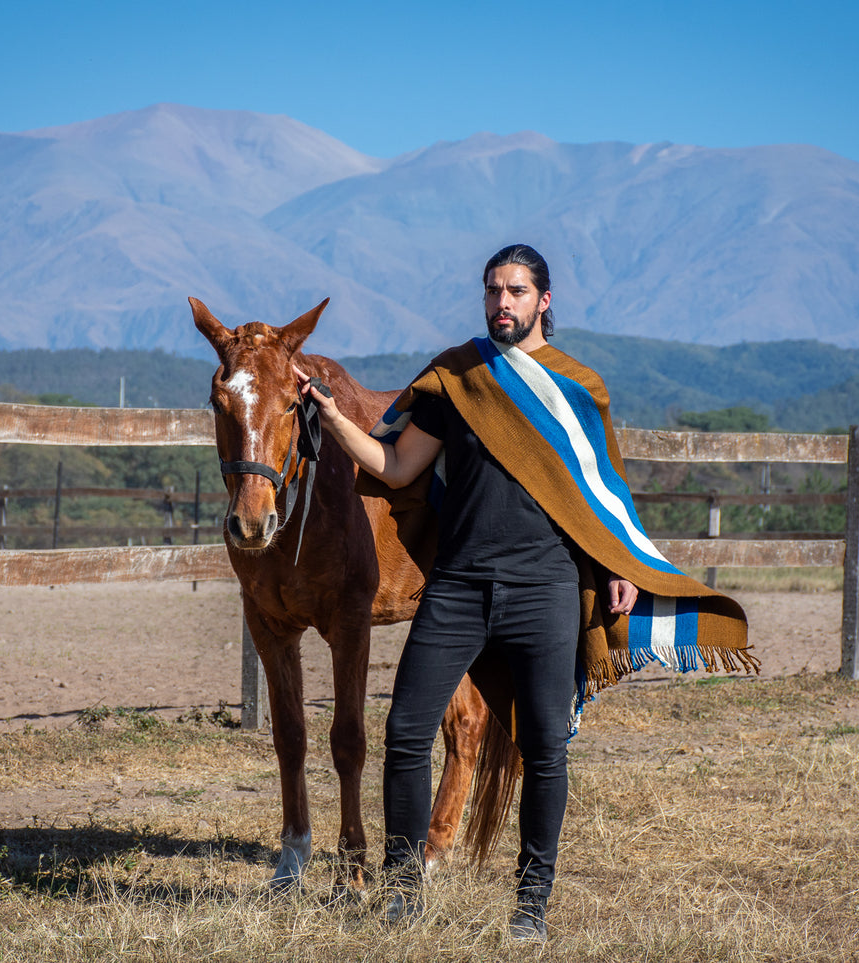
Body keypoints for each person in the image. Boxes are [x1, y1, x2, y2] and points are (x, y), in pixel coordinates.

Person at [295, 244, 752, 941]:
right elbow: (394, 465)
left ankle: (530, 901)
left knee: (544, 747)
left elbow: (599, 497)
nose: (500, 302)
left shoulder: (576, 389)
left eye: (514, 290)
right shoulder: (457, 375)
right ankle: (403, 887)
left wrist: (613, 565)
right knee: (407, 731)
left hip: (545, 588)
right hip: (457, 586)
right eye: (491, 290)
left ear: (543, 300)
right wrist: (332, 419)